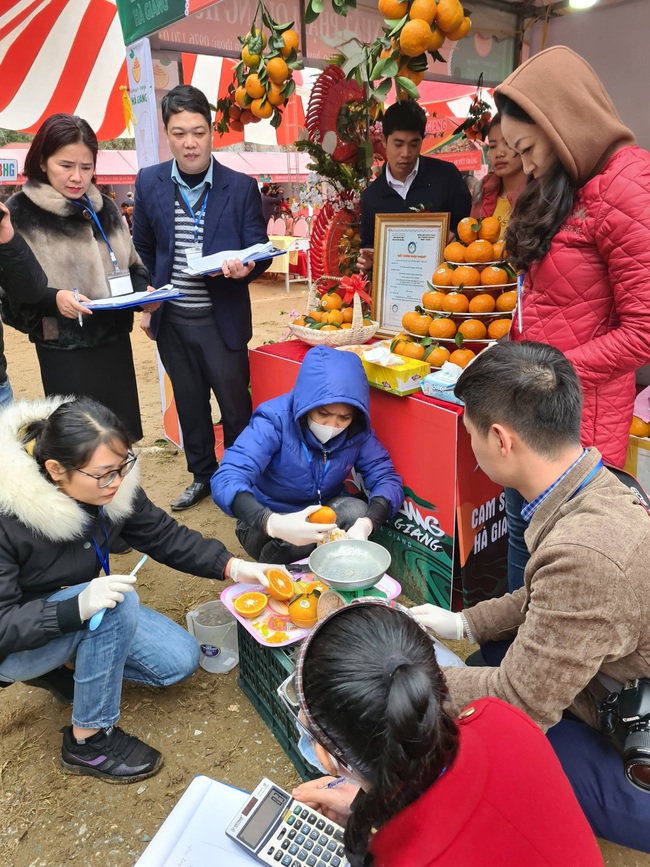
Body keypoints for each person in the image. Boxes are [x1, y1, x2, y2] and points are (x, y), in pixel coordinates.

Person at [411, 341, 650, 852]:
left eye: (470, 433)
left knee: (483, 734)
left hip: (635, 726)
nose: (470, 447)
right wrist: (463, 622)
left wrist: (407, 675)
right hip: (615, 673)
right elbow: (546, 595)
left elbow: (518, 702)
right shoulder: (592, 483)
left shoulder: (587, 552)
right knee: (485, 655)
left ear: (500, 439)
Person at [0, 395, 282, 783]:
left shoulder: (110, 487)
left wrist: (234, 567)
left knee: (179, 661)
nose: (117, 482)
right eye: (104, 474)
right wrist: (74, 609)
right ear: (55, 469)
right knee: (119, 605)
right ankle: (88, 741)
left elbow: (163, 535)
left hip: (77, 607)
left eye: (123, 466)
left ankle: (69, 664)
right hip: (17, 642)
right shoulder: (8, 511)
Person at [493, 47, 650, 591]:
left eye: (529, 148)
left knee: (559, 563)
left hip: (575, 423)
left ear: (560, 125)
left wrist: (547, 373)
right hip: (531, 410)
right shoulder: (564, 181)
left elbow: (643, 331)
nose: (526, 164)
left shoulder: (626, 185)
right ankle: (505, 661)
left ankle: (534, 671)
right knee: (522, 533)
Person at [289, 600, 603, 867]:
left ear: (327, 759)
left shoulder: (396, 857)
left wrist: (376, 813)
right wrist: (376, 809)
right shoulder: (500, 717)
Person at [133, 85, 271, 512]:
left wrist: (249, 267)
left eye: (197, 131)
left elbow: (259, 248)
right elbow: (143, 248)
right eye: (179, 133)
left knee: (235, 406)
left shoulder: (241, 186)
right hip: (173, 321)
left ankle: (241, 477)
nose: (189, 142)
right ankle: (202, 476)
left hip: (221, 319)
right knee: (190, 406)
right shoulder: (149, 181)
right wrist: (147, 300)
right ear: (167, 134)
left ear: (212, 132)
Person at [2, 114, 152, 442]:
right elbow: (12, 297)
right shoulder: (19, 214)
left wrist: (145, 292)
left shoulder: (105, 208)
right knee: (82, 444)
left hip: (114, 342)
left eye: (86, 167)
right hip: (64, 350)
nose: (77, 177)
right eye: (66, 165)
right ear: (42, 161)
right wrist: (54, 299)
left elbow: (133, 266)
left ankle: (128, 494)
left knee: (121, 437)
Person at [211, 345, 404, 564]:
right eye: (323, 414)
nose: (333, 425)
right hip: (268, 519)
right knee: (297, 540)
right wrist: (270, 521)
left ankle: (318, 566)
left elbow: (387, 478)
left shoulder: (357, 431)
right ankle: (276, 569)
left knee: (357, 511)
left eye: (344, 417)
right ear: (306, 402)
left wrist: (368, 523)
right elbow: (227, 476)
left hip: (322, 511)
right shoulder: (274, 419)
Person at [358, 100, 472, 273]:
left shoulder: (446, 177)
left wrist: (455, 235)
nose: (406, 153)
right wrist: (367, 262)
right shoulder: (371, 197)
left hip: (445, 290)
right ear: (383, 140)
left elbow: (470, 225)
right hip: (397, 292)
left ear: (422, 139)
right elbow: (369, 248)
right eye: (398, 144)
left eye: (414, 144)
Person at [470, 113, 527, 236]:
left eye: (508, 144)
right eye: (493, 146)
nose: (499, 153)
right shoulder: (482, 191)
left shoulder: (540, 194)